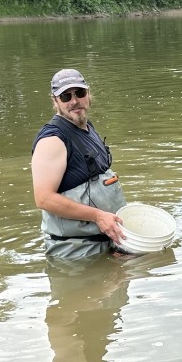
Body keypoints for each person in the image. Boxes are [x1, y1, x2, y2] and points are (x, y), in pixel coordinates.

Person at [31, 68, 128, 259]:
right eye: (66, 96)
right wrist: (99, 216)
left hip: (106, 246)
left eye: (80, 93)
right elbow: (43, 199)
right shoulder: (52, 140)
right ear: (55, 101)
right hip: (77, 256)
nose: (74, 101)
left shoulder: (86, 125)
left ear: (88, 94)